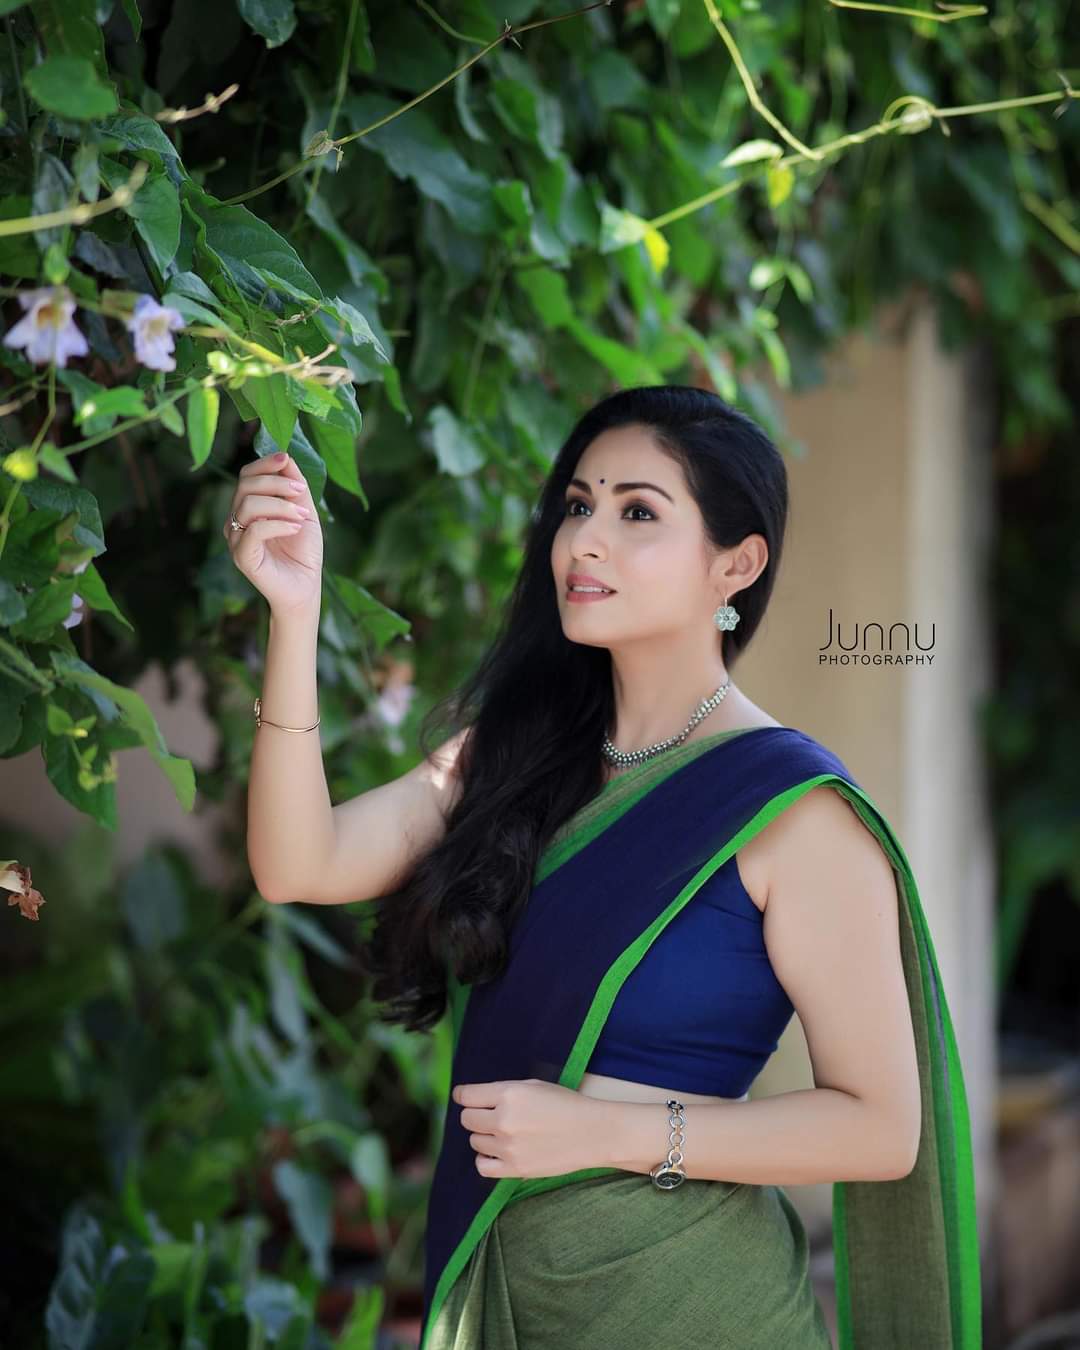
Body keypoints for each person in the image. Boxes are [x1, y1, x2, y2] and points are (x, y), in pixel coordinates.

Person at [228, 385, 982, 1349]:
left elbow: (881, 1129)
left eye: (637, 513)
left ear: (737, 564)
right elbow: (299, 864)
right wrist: (294, 614)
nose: (584, 540)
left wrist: (607, 1132)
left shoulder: (795, 814)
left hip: (697, 1312)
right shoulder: (514, 763)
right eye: (579, 505)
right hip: (510, 1297)